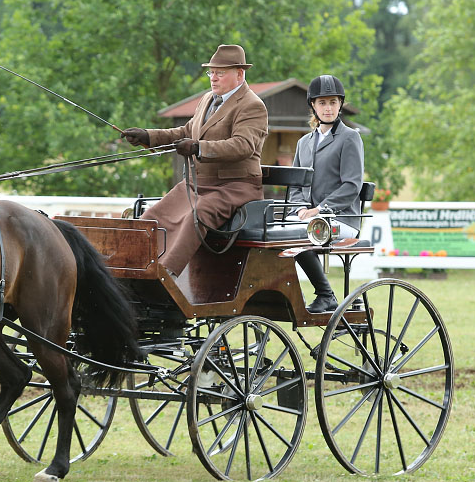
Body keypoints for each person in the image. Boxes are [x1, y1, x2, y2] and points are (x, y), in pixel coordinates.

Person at [122, 44, 268, 277]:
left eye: (220, 72)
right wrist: (149, 136)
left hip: (235, 187)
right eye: (211, 72)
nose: (214, 78)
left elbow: (243, 145)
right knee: (151, 217)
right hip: (197, 185)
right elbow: (186, 132)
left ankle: (165, 275)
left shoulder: (252, 105)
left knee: (195, 217)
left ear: (240, 74)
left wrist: (199, 147)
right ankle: (133, 269)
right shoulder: (207, 99)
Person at [287, 74, 365, 313]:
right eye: (322, 102)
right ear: (313, 105)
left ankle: (325, 294)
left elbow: (352, 185)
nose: (328, 108)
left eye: (332, 102)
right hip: (311, 218)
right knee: (279, 232)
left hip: (342, 219)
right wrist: (300, 208)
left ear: (340, 104)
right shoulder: (304, 143)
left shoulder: (350, 138)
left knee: (302, 231)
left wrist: (320, 209)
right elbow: (296, 185)